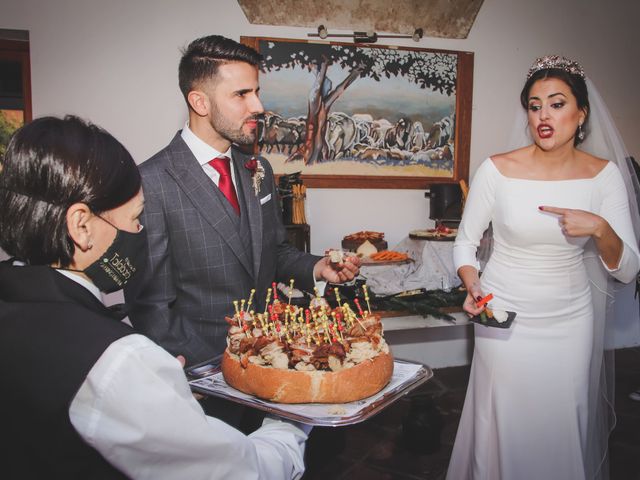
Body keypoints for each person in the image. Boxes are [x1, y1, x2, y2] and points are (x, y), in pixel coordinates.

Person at [0, 115, 310, 479]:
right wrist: (291, 419)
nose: (140, 231)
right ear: (81, 226)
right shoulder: (117, 360)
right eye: (135, 218)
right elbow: (244, 471)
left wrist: (162, 402)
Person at [447, 55, 640, 480]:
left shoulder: (603, 177)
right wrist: (473, 282)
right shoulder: (497, 170)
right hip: (503, 315)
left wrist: (600, 228)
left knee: (560, 423)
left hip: (569, 321)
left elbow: (627, 270)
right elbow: (465, 242)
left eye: (556, 103)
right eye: (534, 106)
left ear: (581, 112)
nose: (543, 116)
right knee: (504, 419)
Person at [123, 34, 359, 367]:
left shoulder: (257, 168)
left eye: (256, 93)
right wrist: (192, 372)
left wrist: (317, 267)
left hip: (273, 358)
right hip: (204, 373)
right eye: (241, 95)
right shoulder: (152, 181)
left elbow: (272, 252)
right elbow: (151, 305)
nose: (258, 107)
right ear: (200, 102)